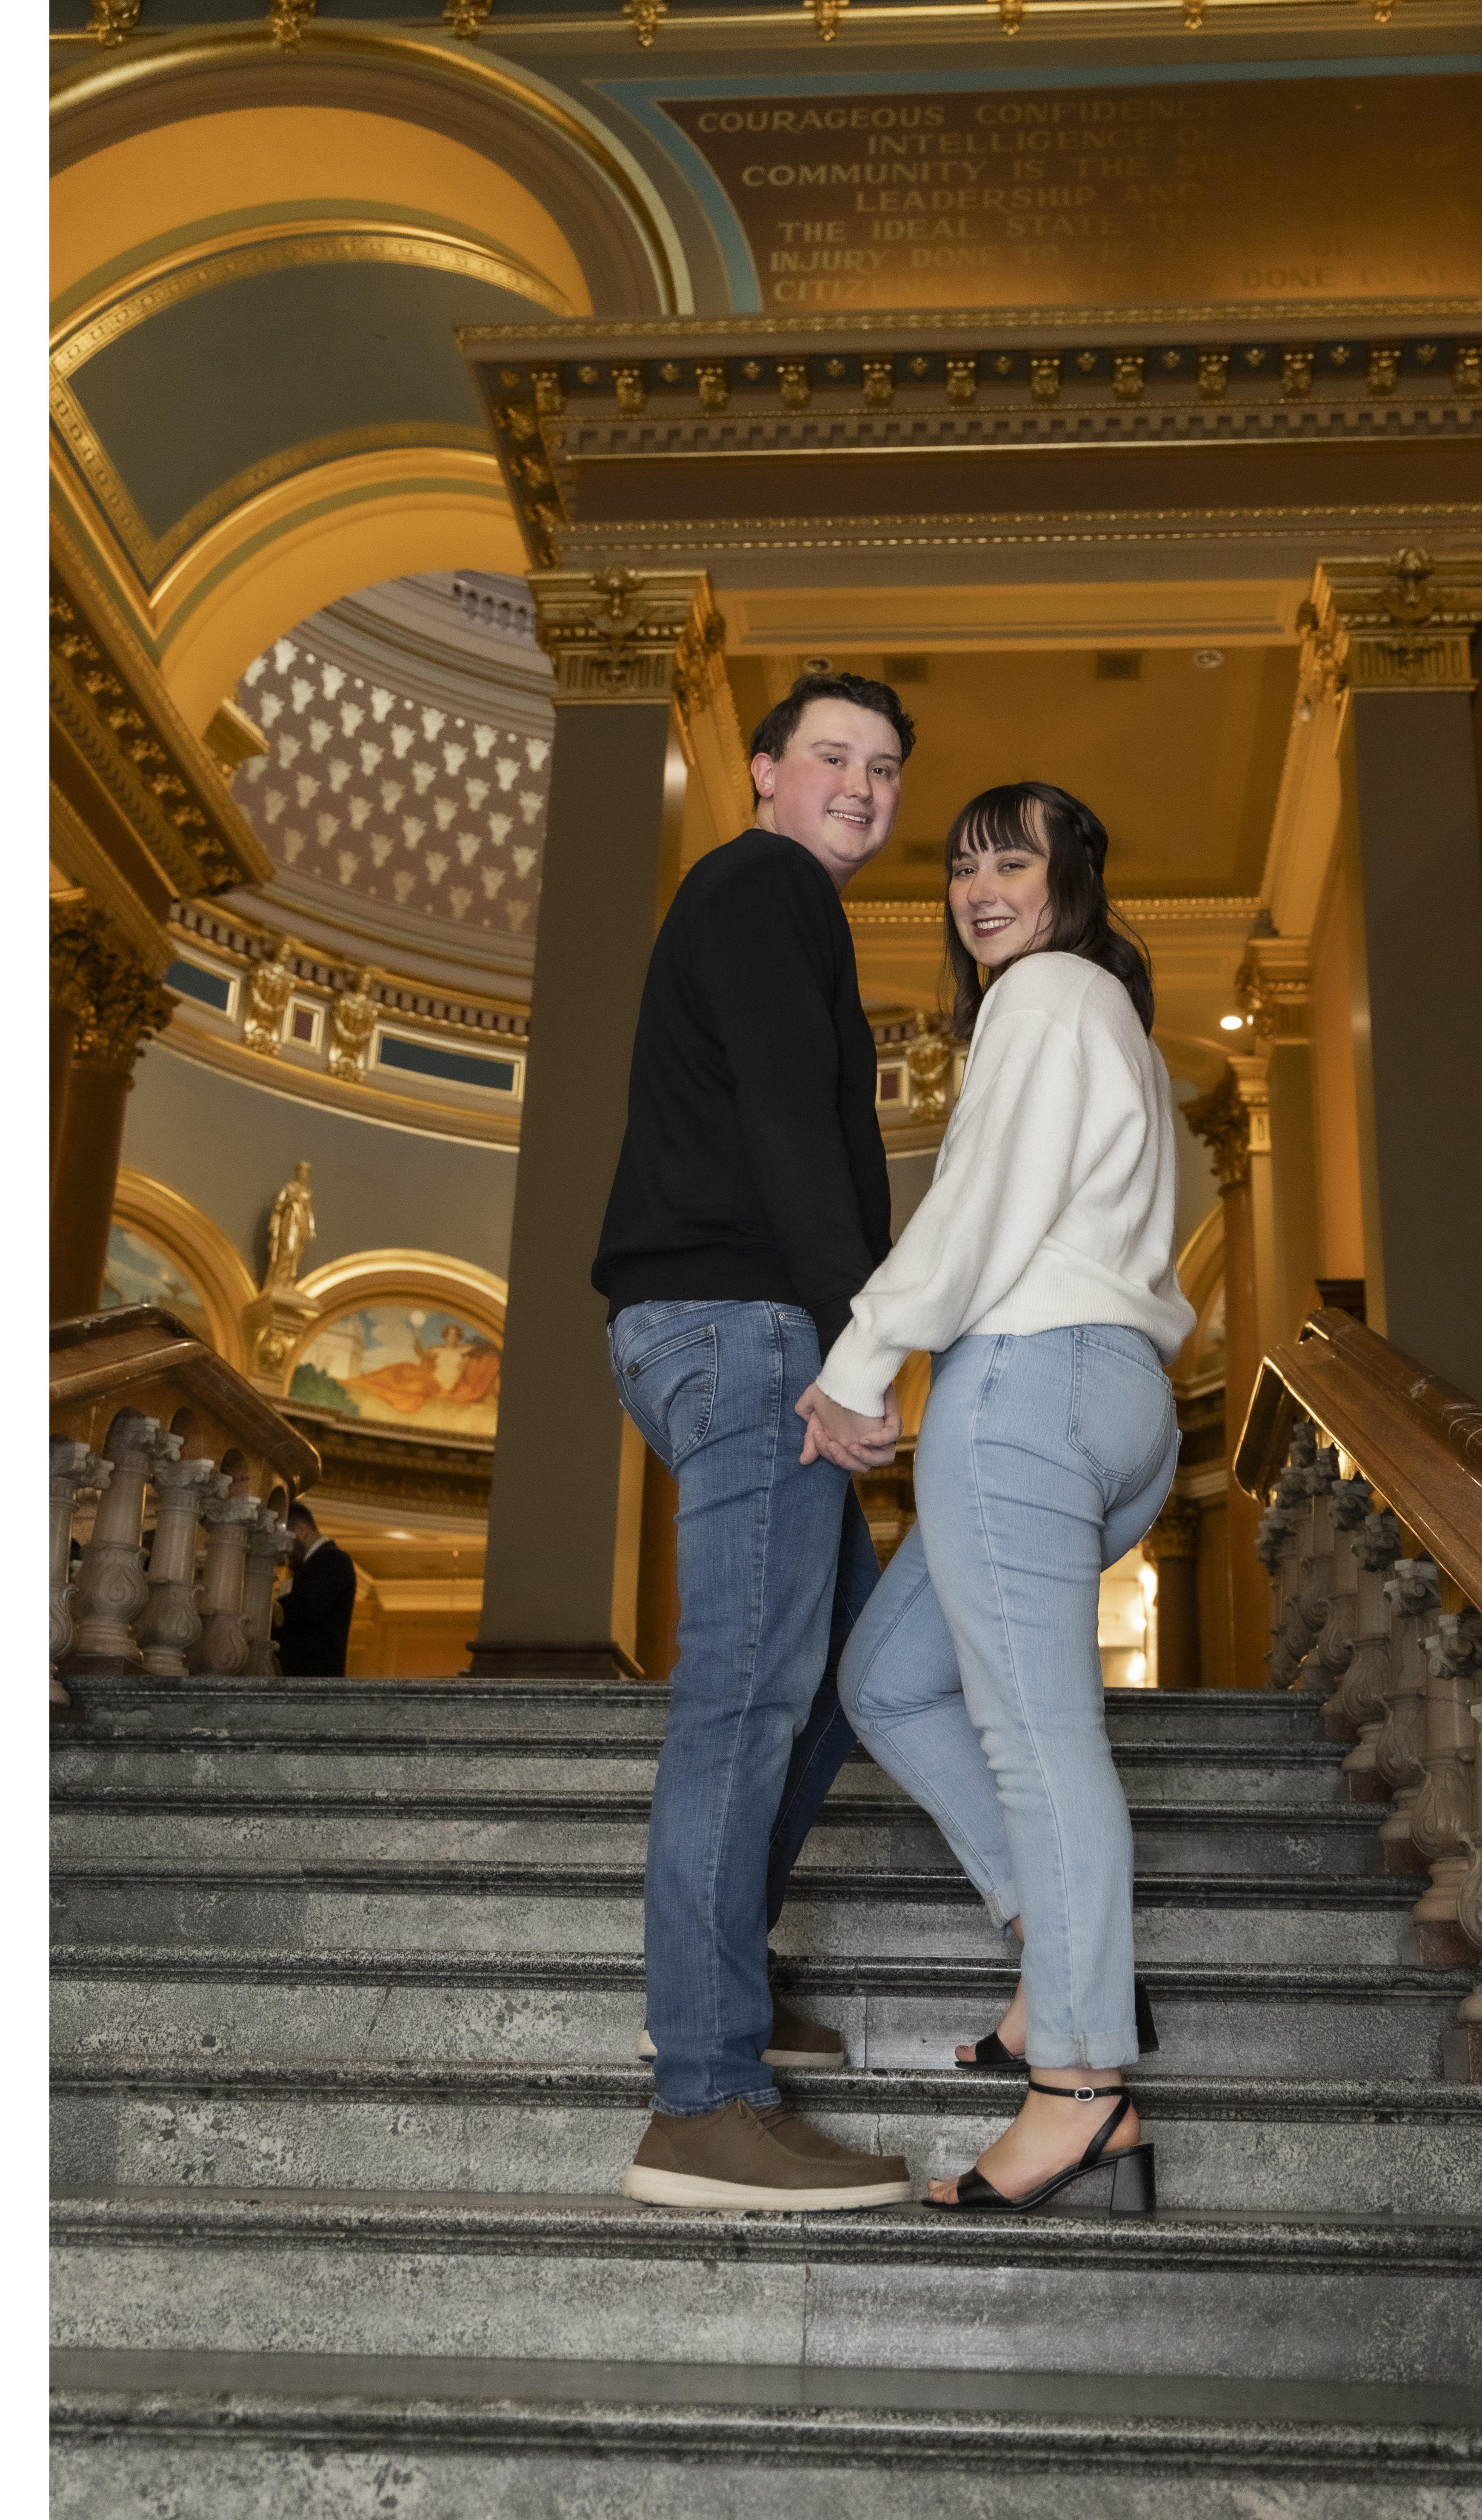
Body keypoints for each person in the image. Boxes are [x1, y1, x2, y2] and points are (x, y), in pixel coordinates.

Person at [809, 781, 1193, 2216]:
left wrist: (860, 1362)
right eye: (962, 869)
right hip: (1110, 1398)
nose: (979, 890)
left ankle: (1085, 2094)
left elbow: (979, 1213)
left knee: (1038, 1740)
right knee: (889, 1678)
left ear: (1068, 880)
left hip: (1029, 1386)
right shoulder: (1111, 1018)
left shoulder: (1043, 995)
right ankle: (1060, 1960)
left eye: (1010, 862)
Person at [593, 670, 921, 2213]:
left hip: (720, 1326)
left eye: (885, 768)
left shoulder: (763, 900)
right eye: (832, 756)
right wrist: (855, 1350)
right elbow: (792, 1123)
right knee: (744, 1697)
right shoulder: (769, 884)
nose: (861, 785)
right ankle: (704, 2092)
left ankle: (717, 1965)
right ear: (764, 773)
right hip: (747, 1328)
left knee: (858, 1670)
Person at [276, 1503, 356, 1678]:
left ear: (301, 1530)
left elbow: (306, 1609)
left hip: (314, 1680)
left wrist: (271, 1609)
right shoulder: (318, 1563)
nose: (284, 1550)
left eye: (284, 1540)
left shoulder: (332, 1560)